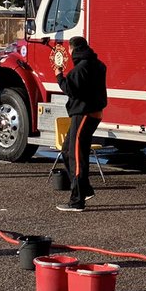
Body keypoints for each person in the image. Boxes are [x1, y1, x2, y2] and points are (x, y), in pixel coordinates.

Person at [53, 36, 108, 212]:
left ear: (73, 49)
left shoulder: (82, 67)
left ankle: (77, 200)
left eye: (69, 49)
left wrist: (59, 75)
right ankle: (85, 189)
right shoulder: (96, 64)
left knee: (77, 156)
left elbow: (69, 88)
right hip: (93, 113)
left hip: (84, 113)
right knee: (67, 150)